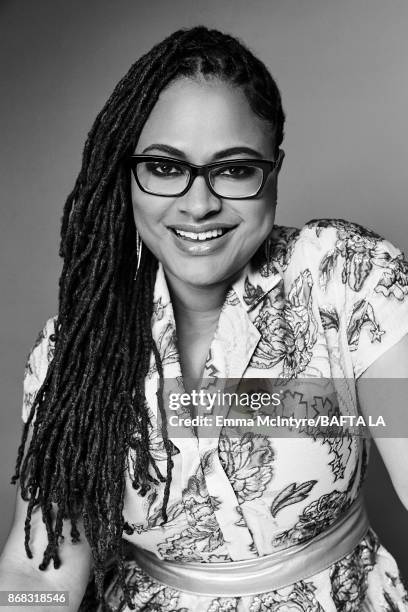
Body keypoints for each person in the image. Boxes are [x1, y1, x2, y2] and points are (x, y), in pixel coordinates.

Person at [1, 25, 408, 612]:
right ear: (127, 175)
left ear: (273, 170)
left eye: (234, 169)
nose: (198, 204)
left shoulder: (346, 280)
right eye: (166, 167)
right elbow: (39, 574)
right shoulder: (78, 350)